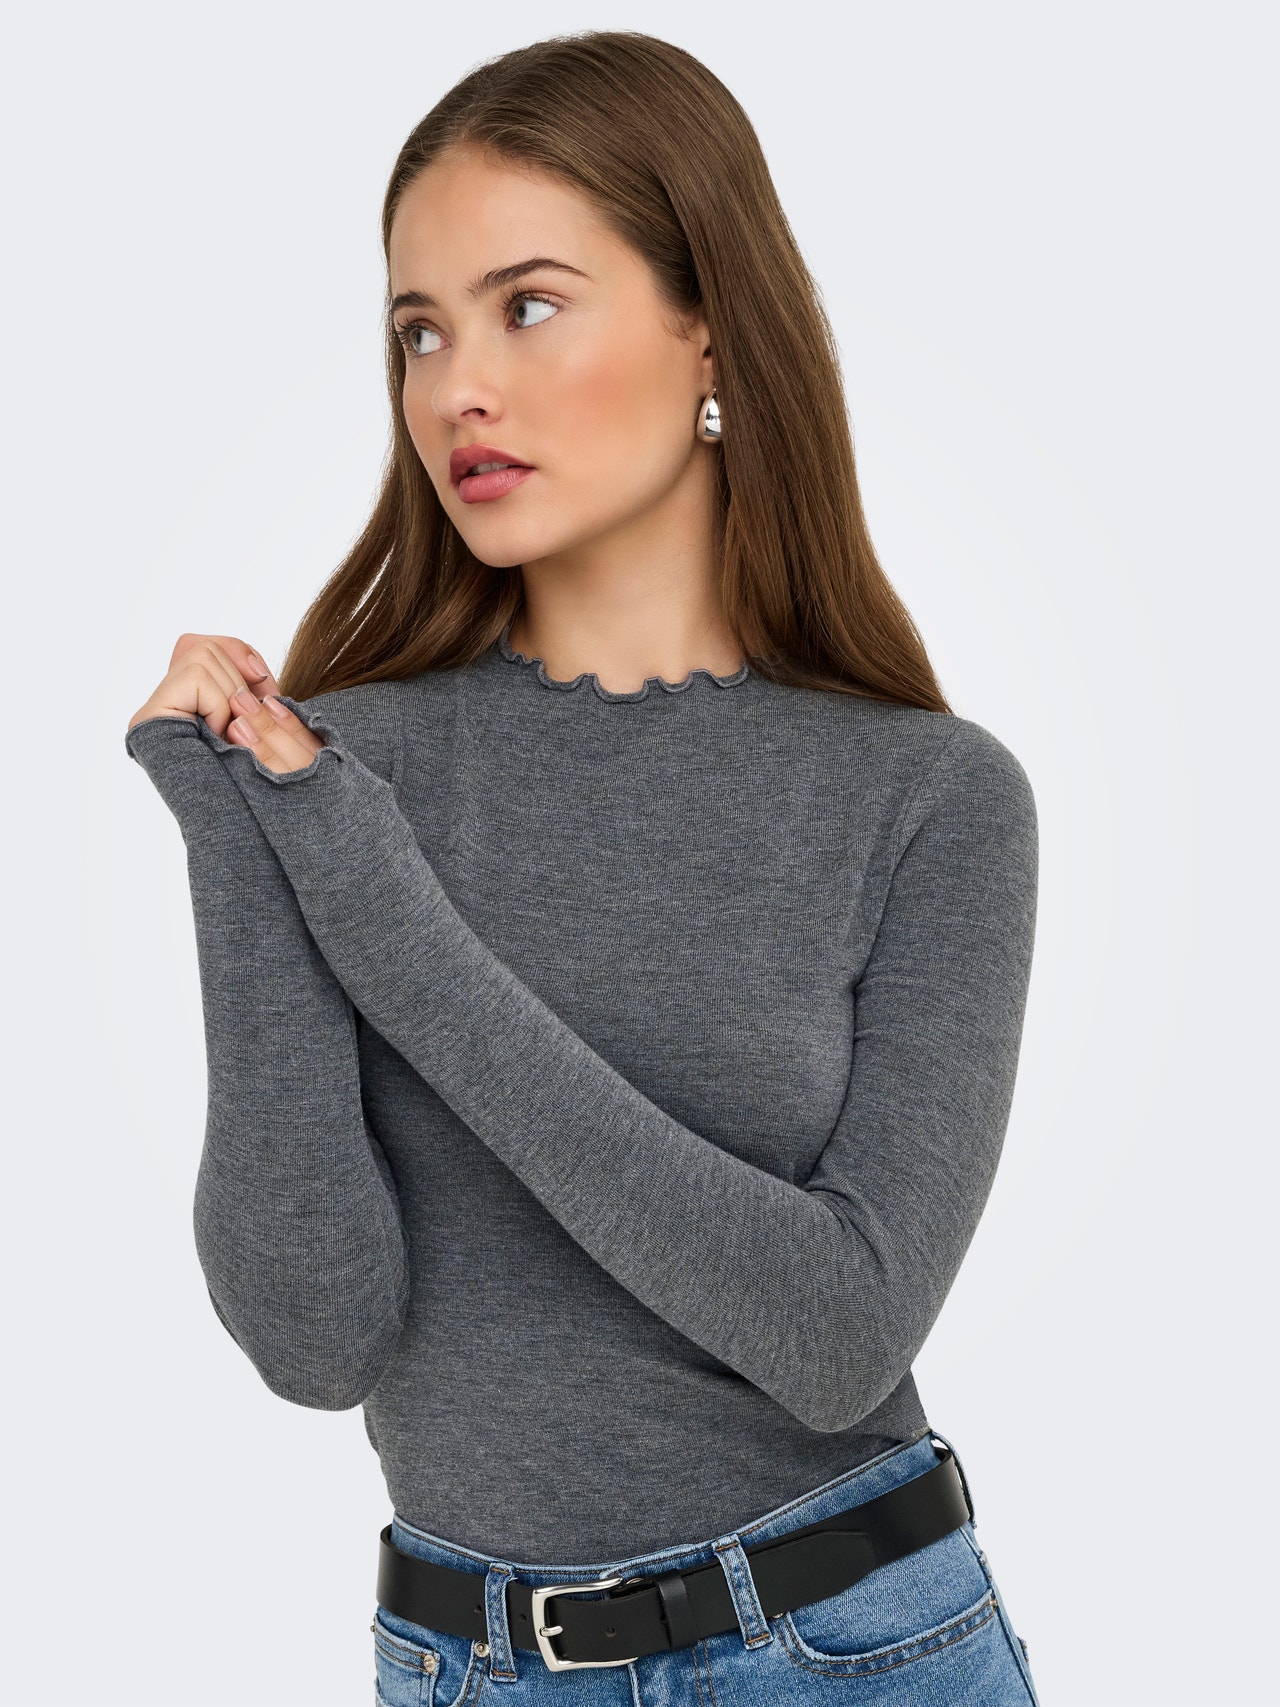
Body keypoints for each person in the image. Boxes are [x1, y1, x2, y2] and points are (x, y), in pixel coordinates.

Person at [124, 30, 1041, 1706]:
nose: (454, 388)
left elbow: (840, 1336)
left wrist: (379, 908)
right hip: (469, 1665)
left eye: (528, 305)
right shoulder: (339, 775)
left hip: (856, 1651)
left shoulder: (929, 799)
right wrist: (236, 836)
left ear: (711, 332)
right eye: (419, 330)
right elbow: (315, 1341)